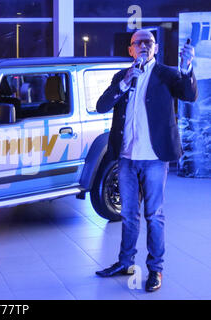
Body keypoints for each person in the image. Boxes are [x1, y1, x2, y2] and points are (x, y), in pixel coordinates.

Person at [94, 29, 198, 292]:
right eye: (137, 42)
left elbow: (189, 94)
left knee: (154, 216)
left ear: (156, 48)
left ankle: (155, 270)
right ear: (130, 50)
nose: (142, 46)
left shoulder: (167, 74)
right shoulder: (123, 76)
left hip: (154, 159)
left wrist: (186, 68)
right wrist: (125, 81)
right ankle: (125, 262)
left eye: (148, 42)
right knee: (128, 216)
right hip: (127, 158)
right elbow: (102, 106)